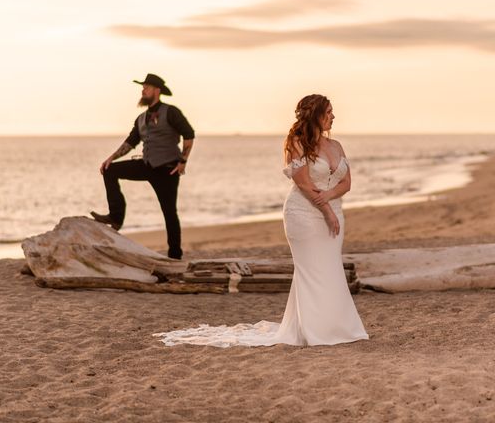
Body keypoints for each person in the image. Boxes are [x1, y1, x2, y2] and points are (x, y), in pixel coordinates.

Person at [154, 94, 368, 346]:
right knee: (311, 271)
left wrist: (331, 200)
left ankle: (337, 327)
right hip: (304, 216)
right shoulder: (296, 143)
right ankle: (316, 331)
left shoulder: (336, 146)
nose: (333, 116)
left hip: (333, 213)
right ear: (316, 115)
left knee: (330, 268)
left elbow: (347, 183)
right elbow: (304, 184)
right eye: (329, 111)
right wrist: (327, 210)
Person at [91, 73, 194, 260]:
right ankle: (116, 216)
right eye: (143, 87)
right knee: (110, 170)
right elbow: (131, 142)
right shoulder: (140, 118)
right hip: (146, 165)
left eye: (146, 87)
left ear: (157, 90)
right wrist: (111, 158)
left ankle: (175, 256)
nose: (143, 90)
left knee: (169, 212)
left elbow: (189, 134)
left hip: (167, 169)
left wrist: (183, 161)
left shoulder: (171, 112)